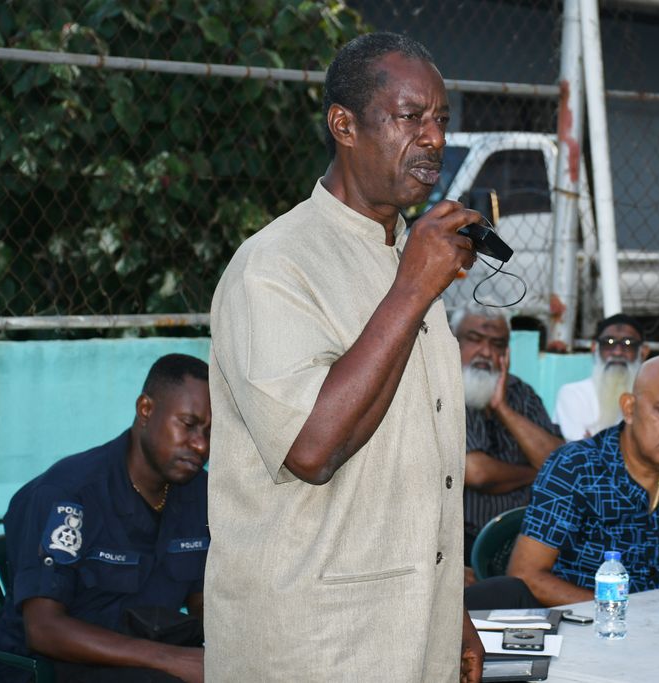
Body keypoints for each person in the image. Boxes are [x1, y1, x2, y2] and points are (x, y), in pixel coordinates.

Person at [205, 32, 484, 682]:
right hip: (313, 642)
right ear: (344, 125)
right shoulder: (274, 266)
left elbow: (416, 465)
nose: (435, 138)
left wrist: (451, 610)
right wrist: (413, 288)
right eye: (411, 117)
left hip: (409, 628)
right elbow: (312, 448)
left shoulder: (409, 258)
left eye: (441, 119)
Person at [0, 354, 211, 683]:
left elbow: (203, 599)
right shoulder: (69, 494)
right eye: (188, 425)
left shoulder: (197, 494)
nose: (201, 445)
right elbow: (43, 629)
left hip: (138, 660)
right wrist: (171, 659)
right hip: (47, 668)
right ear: (146, 410)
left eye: (209, 431)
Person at [508, 355, 659, 606]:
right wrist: (620, 613)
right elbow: (525, 575)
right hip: (584, 624)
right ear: (629, 408)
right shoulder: (576, 467)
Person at [451, 301, 564, 565]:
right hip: (459, 545)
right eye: (475, 340)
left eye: (497, 344)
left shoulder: (520, 393)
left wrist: (502, 408)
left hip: (526, 539)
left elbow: (559, 462)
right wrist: (534, 473)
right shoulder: (441, 389)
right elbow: (476, 472)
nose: (486, 352)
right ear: (452, 341)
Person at [554, 313, 648, 441]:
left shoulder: (651, 397)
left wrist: (596, 442)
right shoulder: (573, 394)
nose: (618, 352)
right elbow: (582, 449)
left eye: (628, 343)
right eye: (608, 343)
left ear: (643, 352)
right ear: (594, 348)